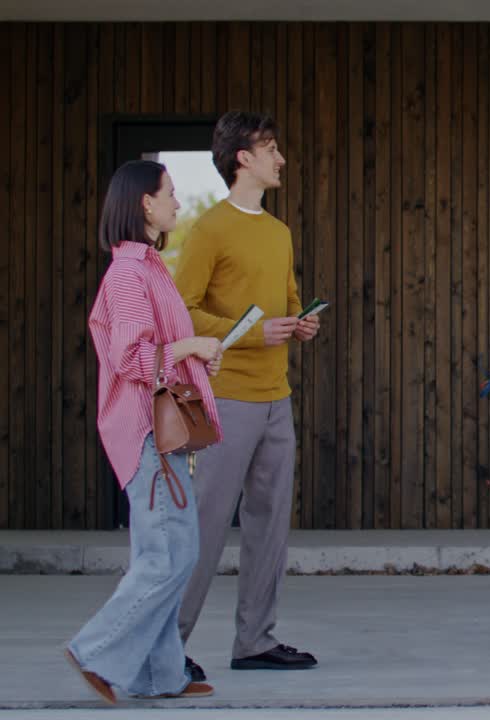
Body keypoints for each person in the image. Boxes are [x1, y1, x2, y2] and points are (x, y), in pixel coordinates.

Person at [65, 160, 223, 703]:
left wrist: (197, 359)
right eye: (171, 193)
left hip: (163, 432)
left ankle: (159, 675)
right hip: (146, 434)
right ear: (145, 205)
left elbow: (158, 353)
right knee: (164, 556)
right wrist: (193, 347)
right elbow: (132, 357)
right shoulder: (130, 275)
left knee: (177, 553)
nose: (178, 203)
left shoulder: (149, 268)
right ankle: (96, 650)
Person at [174, 111, 320, 680]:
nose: (280, 159)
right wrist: (251, 332)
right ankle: (169, 643)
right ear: (244, 159)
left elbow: (287, 300)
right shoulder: (210, 229)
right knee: (206, 526)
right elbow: (182, 310)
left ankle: (255, 640)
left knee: (269, 524)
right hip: (226, 398)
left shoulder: (278, 231)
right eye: (272, 149)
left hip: (276, 397)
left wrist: (300, 323)